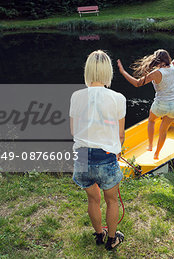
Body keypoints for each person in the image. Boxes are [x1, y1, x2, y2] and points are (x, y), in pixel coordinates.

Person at [70, 50, 126, 250]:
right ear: (108, 71)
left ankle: (99, 234)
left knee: (93, 199)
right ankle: (112, 239)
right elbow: (120, 135)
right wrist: (118, 150)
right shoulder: (118, 98)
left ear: (88, 70)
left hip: (83, 155)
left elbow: (74, 131)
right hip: (106, 156)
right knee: (111, 201)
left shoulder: (76, 96)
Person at [117, 23, 174, 160]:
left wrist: (123, 71)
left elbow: (137, 84)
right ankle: (157, 154)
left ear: (157, 60)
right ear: (167, 59)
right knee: (164, 130)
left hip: (160, 105)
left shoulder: (156, 73)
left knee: (152, 121)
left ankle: (150, 145)